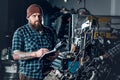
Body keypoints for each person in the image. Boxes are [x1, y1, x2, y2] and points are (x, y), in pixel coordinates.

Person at [12, 4, 58, 80]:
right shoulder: (20, 32)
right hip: (29, 75)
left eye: (39, 16)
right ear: (28, 18)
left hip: (47, 75)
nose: (37, 18)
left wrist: (55, 55)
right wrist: (36, 54)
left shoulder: (50, 31)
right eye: (34, 16)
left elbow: (55, 49)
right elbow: (15, 55)